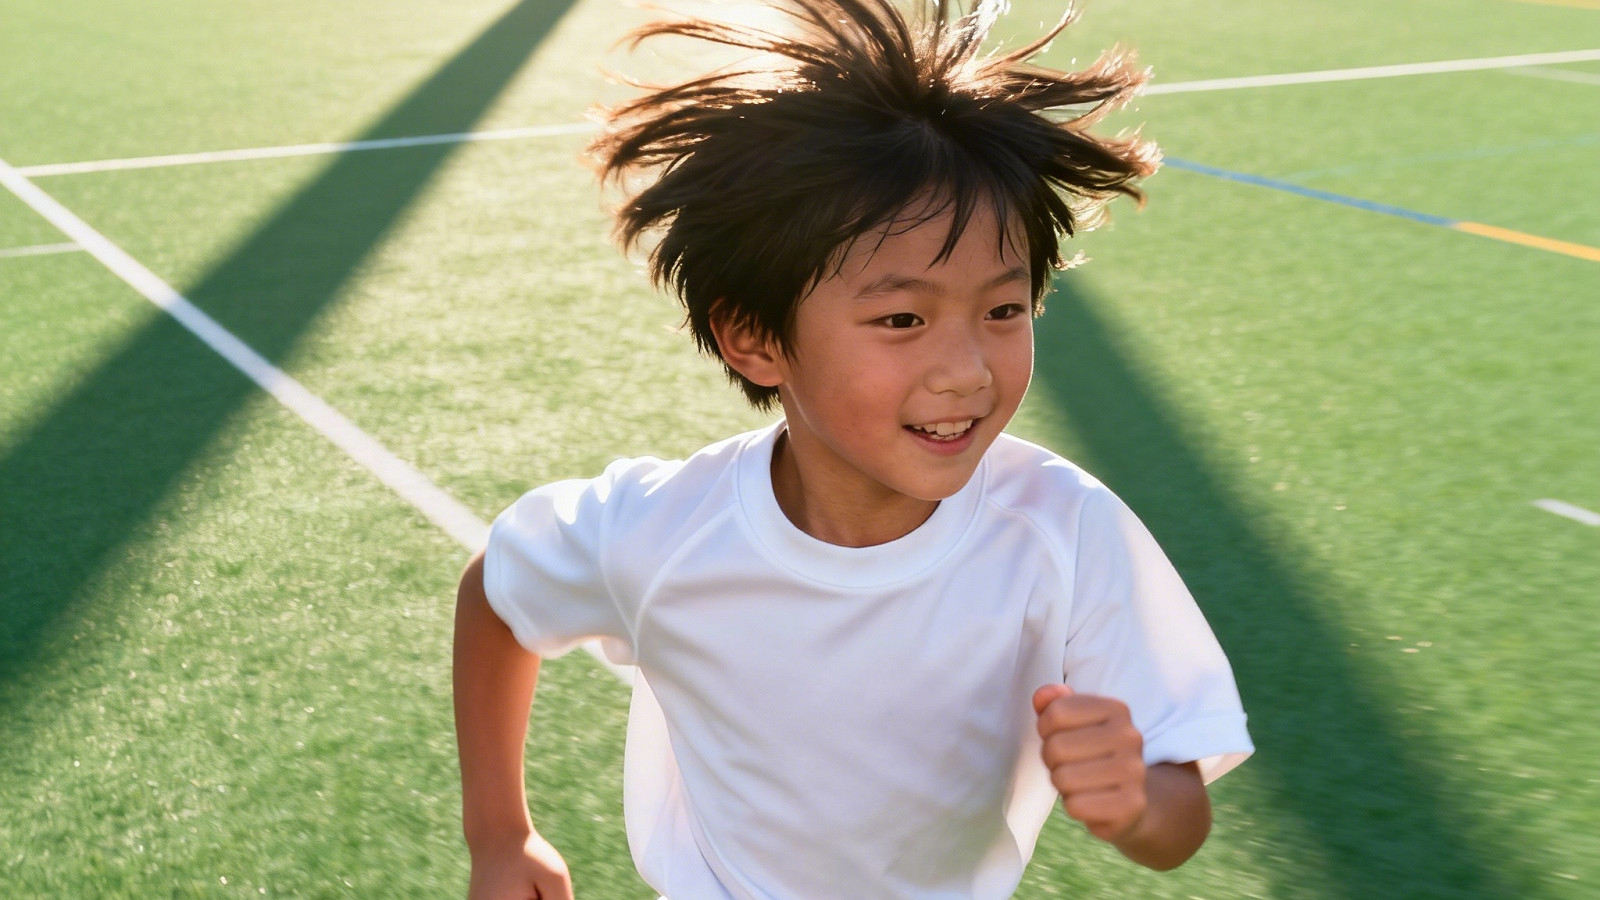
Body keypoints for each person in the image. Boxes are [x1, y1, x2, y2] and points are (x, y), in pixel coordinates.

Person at [452, 1, 1253, 898]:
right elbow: (497, 592)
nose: (966, 372)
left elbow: (1178, 814)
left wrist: (1138, 800)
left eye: (1004, 309)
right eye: (902, 319)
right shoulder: (661, 530)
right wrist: (499, 833)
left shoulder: (1063, 530)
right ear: (754, 337)